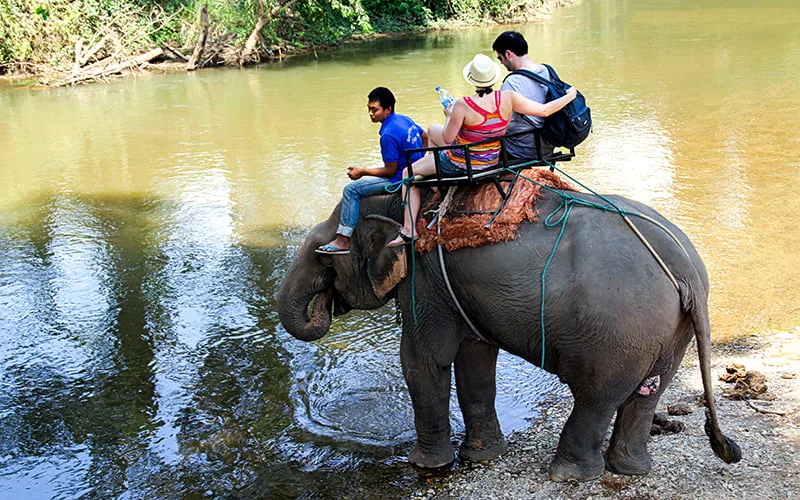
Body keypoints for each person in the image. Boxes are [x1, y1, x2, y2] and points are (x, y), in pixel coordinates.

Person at [387, 53, 577, 248]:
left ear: (472, 79)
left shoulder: (463, 105)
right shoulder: (508, 97)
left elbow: (447, 139)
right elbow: (544, 110)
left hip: (461, 163)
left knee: (407, 172)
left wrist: (449, 114)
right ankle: (435, 184)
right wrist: (570, 95)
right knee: (432, 130)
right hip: (490, 159)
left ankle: (409, 229)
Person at [316, 87, 427, 254]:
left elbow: (390, 171)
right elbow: (425, 136)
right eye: (369, 109)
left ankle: (343, 239)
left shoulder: (388, 135)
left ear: (388, 109)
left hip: (399, 179)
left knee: (351, 190)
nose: (370, 113)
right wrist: (421, 160)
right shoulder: (404, 119)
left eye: (374, 109)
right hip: (419, 169)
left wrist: (362, 172)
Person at [492, 30, 556, 160]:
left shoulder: (512, 83)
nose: (501, 63)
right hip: (549, 144)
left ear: (509, 54)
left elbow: (501, 124)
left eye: (500, 58)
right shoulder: (547, 71)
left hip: (521, 149)